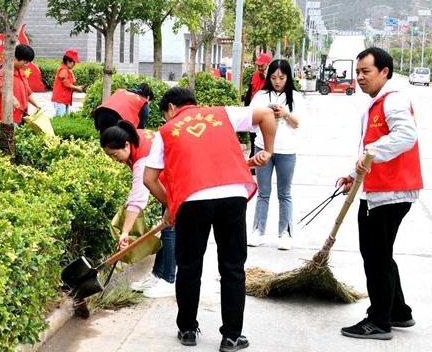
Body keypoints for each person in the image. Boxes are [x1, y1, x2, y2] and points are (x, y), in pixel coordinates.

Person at [143, 87, 276, 352]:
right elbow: (267, 115)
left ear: (171, 108)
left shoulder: (166, 131)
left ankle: (187, 329)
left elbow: (149, 179)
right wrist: (269, 151)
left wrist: (171, 204)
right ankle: (232, 337)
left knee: (189, 266)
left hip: (192, 200)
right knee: (232, 267)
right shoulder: (221, 114)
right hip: (232, 195)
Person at [337, 47, 422, 341]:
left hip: (389, 193)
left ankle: (379, 321)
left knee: (375, 257)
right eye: (357, 72)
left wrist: (372, 153)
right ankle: (398, 311)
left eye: (366, 72)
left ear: (384, 72)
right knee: (381, 254)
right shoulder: (377, 103)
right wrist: (352, 174)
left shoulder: (394, 100)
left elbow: (406, 135)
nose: (360, 77)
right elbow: (368, 149)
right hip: (380, 190)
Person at [100, 120, 176, 299]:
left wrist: (125, 232)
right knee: (166, 226)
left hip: (179, 182)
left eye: (114, 154)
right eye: (110, 157)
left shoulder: (142, 158)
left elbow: (138, 198)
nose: (114, 160)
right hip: (168, 183)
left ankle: (169, 280)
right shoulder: (134, 138)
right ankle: (158, 275)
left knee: (170, 229)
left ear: (126, 144)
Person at [248, 59, 303, 250]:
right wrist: (267, 115)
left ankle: (285, 233)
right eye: (273, 78)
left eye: (281, 77)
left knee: (284, 193)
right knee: (263, 192)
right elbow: (250, 119)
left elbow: (298, 123)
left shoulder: (295, 97)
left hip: (286, 150)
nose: (277, 81)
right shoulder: (261, 96)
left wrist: (285, 114)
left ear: (288, 77)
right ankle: (258, 231)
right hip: (263, 148)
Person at [0, 44, 39, 125]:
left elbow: (27, 93)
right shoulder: (5, 71)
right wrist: (13, 98)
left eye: (28, 62)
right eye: (25, 62)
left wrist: (37, 105)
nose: (27, 65)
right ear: (15, 58)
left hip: (21, 115)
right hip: (7, 118)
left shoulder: (21, 72)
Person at [51, 49, 84, 116]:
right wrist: (77, 88)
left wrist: (71, 72)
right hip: (60, 99)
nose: (74, 64)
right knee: (61, 118)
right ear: (68, 61)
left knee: (65, 118)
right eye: (73, 62)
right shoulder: (64, 70)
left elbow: (74, 81)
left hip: (65, 99)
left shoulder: (68, 70)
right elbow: (66, 83)